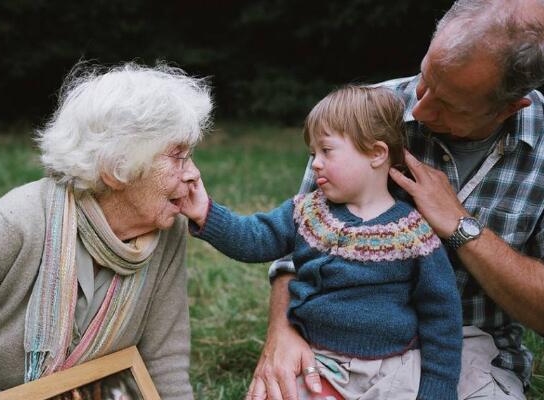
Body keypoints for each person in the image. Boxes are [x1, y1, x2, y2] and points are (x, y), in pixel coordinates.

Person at [251, 0, 544, 399]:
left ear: (510, 107)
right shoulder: (363, 113)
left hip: (470, 347)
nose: (419, 109)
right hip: (346, 344)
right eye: (426, 78)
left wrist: (462, 228)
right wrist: (281, 332)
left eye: (449, 105)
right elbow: (296, 244)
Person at [0, 62, 212, 400]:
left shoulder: (167, 232)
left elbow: (165, 360)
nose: (193, 174)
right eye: (178, 157)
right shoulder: (16, 221)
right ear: (117, 169)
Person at [182, 85, 463, 399]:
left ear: (376, 154)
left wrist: (438, 388)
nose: (315, 163)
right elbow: (255, 238)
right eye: (313, 153)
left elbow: (441, 314)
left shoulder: (413, 232)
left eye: (326, 151)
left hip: (392, 370)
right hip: (319, 360)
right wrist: (206, 213)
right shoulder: (308, 211)